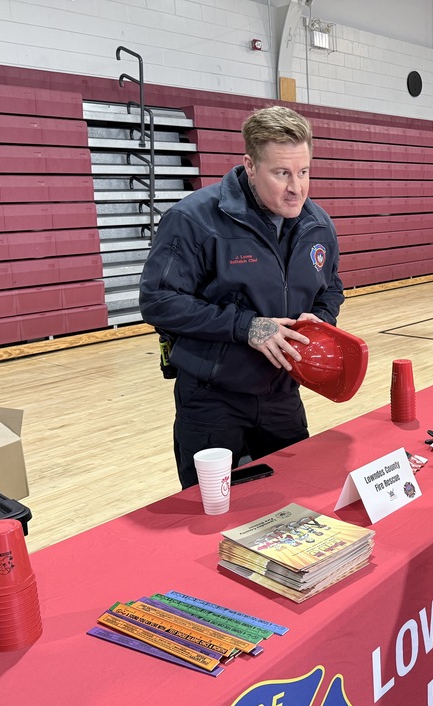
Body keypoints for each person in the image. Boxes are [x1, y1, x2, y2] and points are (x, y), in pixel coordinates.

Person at [139, 106, 344, 489]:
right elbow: (158, 300)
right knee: (214, 514)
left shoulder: (318, 224)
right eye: (282, 173)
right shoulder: (194, 220)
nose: (296, 187)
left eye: (304, 172)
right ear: (250, 165)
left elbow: (331, 287)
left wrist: (321, 319)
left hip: (283, 393)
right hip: (212, 399)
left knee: (295, 500)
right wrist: (246, 326)